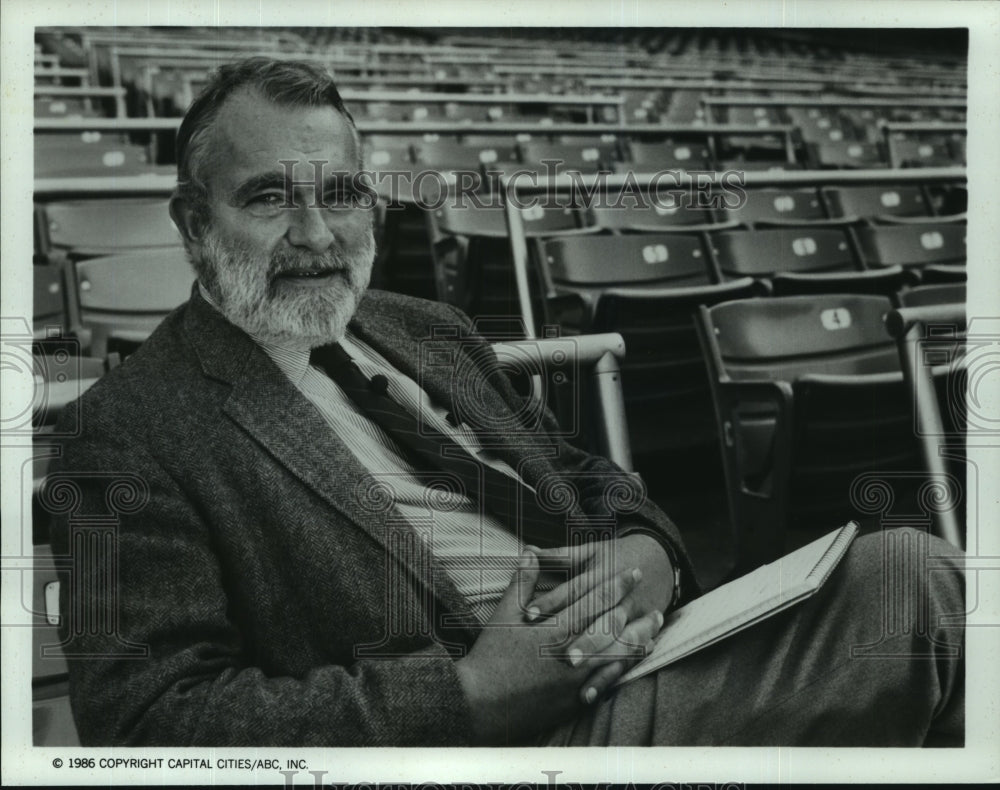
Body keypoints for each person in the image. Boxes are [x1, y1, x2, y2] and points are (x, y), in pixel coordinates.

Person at [48, 57, 965, 747]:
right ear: (193, 222)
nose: (317, 235)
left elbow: (583, 476)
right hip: (507, 740)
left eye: (343, 195)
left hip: (645, 646)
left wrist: (649, 552)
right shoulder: (124, 431)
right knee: (911, 585)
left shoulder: (424, 328)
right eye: (268, 199)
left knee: (911, 577)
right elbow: (148, 725)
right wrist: (471, 695)